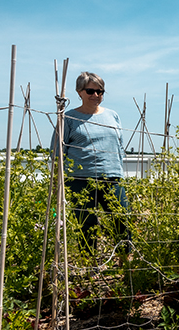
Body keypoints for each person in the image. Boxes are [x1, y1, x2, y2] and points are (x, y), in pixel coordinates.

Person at [51, 72, 129, 256]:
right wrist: (57, 181)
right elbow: (57, 151)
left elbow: (120, 145)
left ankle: (126, 260)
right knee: (87, 224)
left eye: (100, 91)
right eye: (90, 91)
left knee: (122, 219)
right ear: (79, 92)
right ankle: (90, 264)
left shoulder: (113, 116)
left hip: (112, 177)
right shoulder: (68, 118)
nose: (96, 95)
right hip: (80, 180)